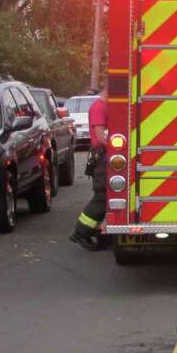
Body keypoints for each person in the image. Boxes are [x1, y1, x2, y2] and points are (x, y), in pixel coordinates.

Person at [70, 88, 108, 251]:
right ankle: (81, 232)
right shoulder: (99, 107)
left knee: (106, 195)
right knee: (103, 194)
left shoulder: (103, 105)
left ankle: (98, 231)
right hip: (102, 157)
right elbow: (101, 136)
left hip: (104, 157)